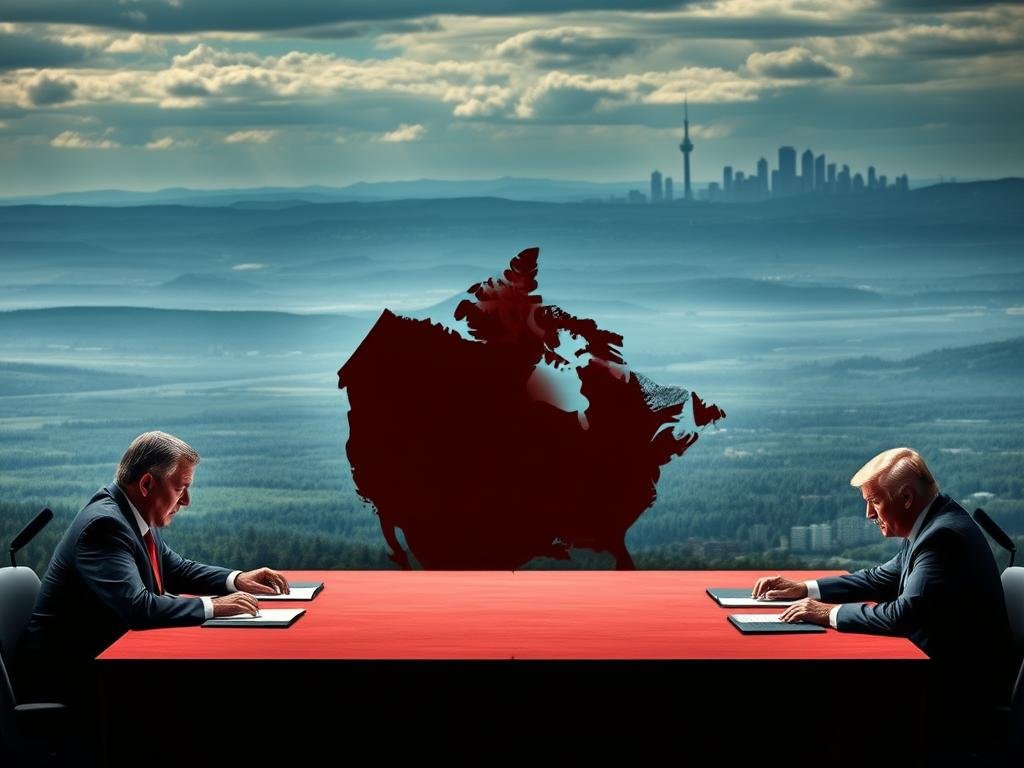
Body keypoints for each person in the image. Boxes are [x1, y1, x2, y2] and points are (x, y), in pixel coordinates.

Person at [752, 447, 1011, 762]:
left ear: (905, 498)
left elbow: (903, 615)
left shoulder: (942, 538)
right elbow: (878, 579)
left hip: (953, 696)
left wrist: (826, 614)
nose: (869, 515)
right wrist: (806, 588)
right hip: (940, 678)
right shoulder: (933, 524)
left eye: (874, 502)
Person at [19, 431, 290, 706]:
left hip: (105, 664)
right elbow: (137, 608)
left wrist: (238, 579)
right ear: (147, 483)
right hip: (71, 680)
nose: (186, 501)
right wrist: (215, 607)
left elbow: (176, 569)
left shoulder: (130, 514)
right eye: (180, 488)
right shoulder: (104, 526)